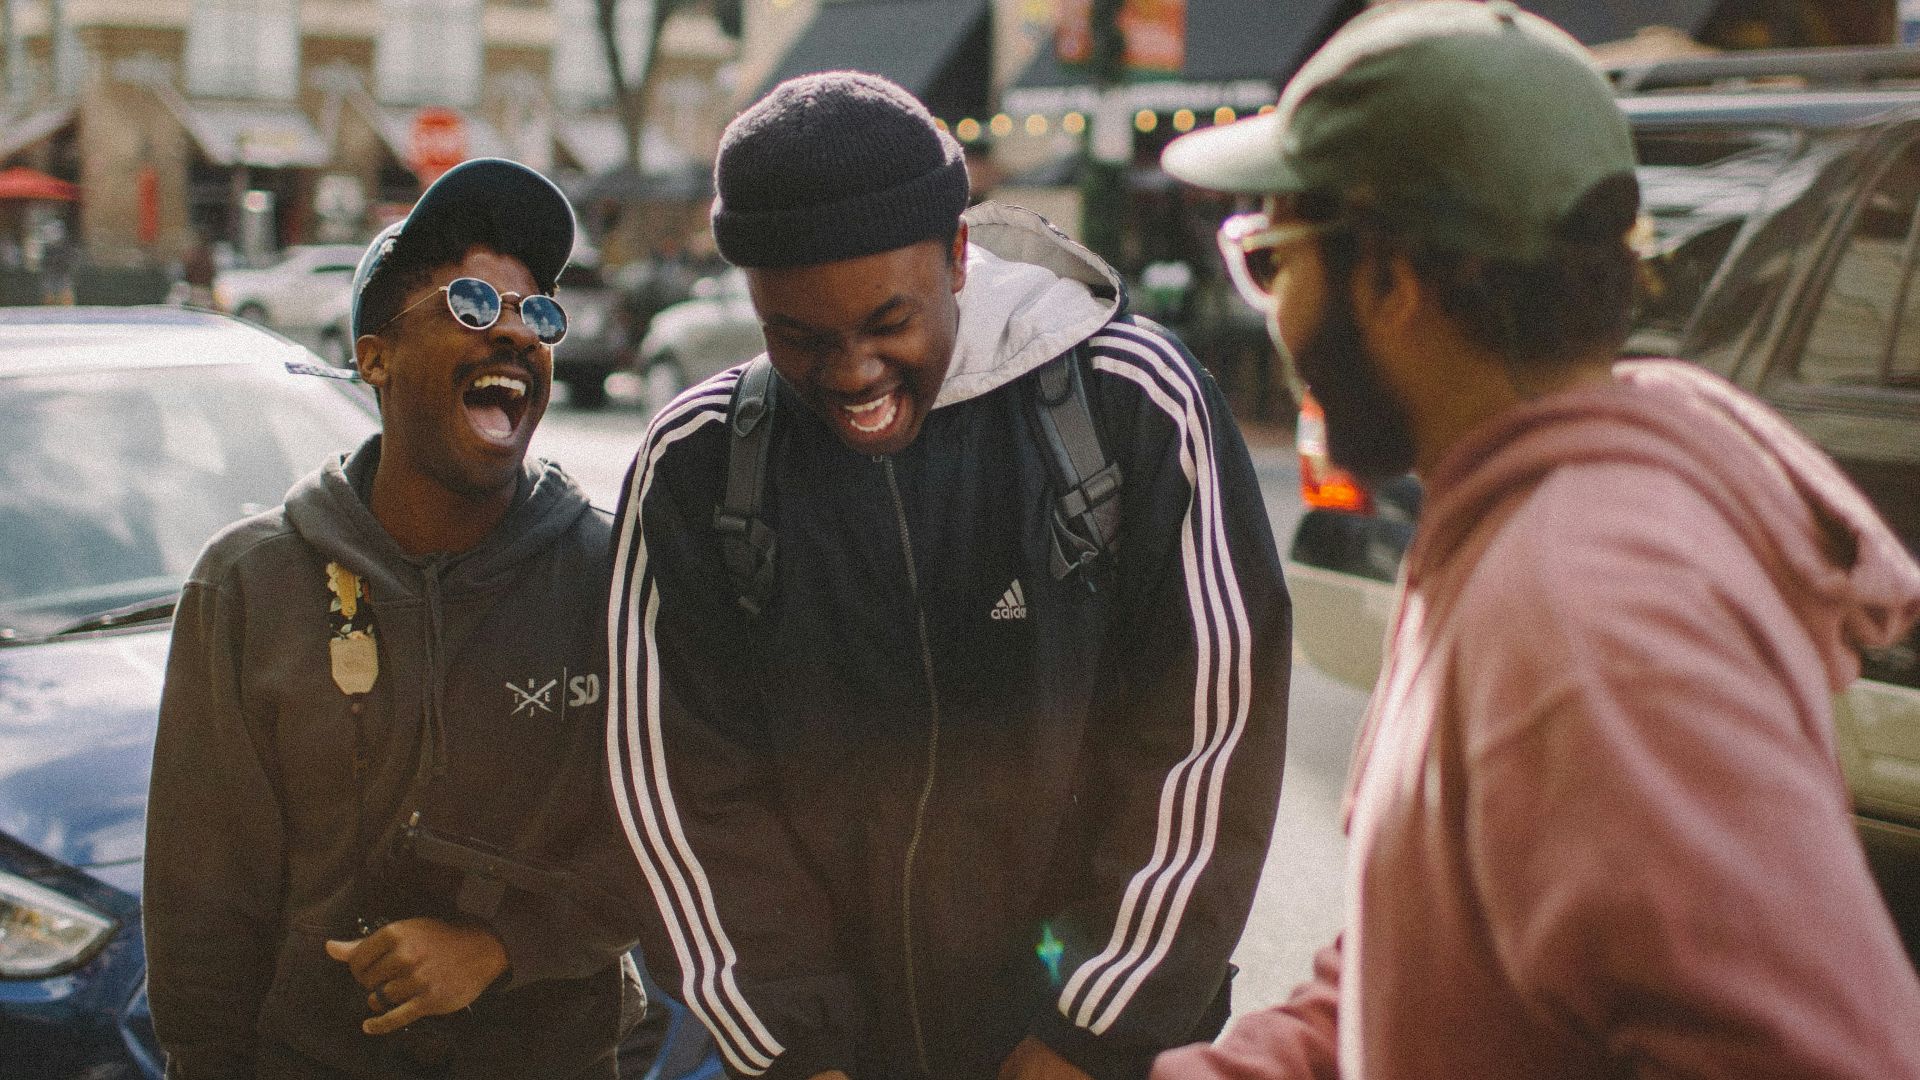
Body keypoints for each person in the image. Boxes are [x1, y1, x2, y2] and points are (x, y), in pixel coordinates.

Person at [1153, 3, 1920, 1078]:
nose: (1271, 313)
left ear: (1394, 280)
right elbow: (1417, 964)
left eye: (1273, 258)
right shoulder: (1518, 533)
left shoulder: (1585, 615)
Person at [607, 72, 1291, 1080]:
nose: (852, 373)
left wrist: (1083, 1031)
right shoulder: (698, 464)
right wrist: (796, 1046)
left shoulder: (1133, 404)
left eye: (888, 323)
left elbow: (1207, 739)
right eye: (799, 336)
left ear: (959, 256)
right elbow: (679, 792)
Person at [145, 158, 644, 1079]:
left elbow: (682, 839)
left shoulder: (612, 571)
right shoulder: (248, 586)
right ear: (373, 357)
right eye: (467, 305)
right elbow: (202, 904)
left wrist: (502, 947)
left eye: (535, 314)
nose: (512, 334)